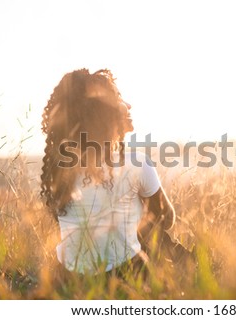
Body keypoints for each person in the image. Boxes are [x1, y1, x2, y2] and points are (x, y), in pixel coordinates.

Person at [40, 68, 176, 277]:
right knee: (154, 232)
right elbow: (166, 219)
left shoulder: (60, 170)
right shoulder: (136, 162)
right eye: (118, 98)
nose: (128, 105)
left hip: (68, 277)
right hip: (122, 274)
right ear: (103, 111)